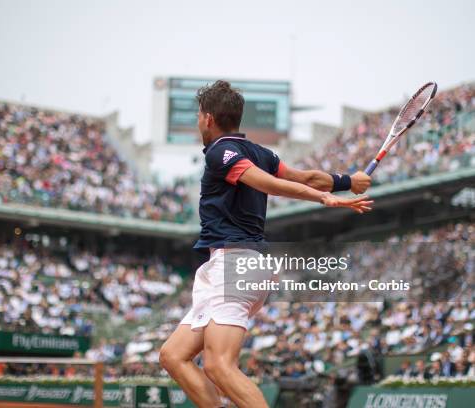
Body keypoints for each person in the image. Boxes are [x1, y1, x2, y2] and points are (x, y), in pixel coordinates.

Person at [159, 80, 372, 408]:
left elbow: (271, 183)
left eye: (199, 115)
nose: (198, 121)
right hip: (229, 264)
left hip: (236, 263)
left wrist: (324, 197)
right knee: (173, 356)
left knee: (218, 365)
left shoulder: (221, 152)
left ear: (208, 119)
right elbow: (304, 176)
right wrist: (348, 181)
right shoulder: (261, 153)